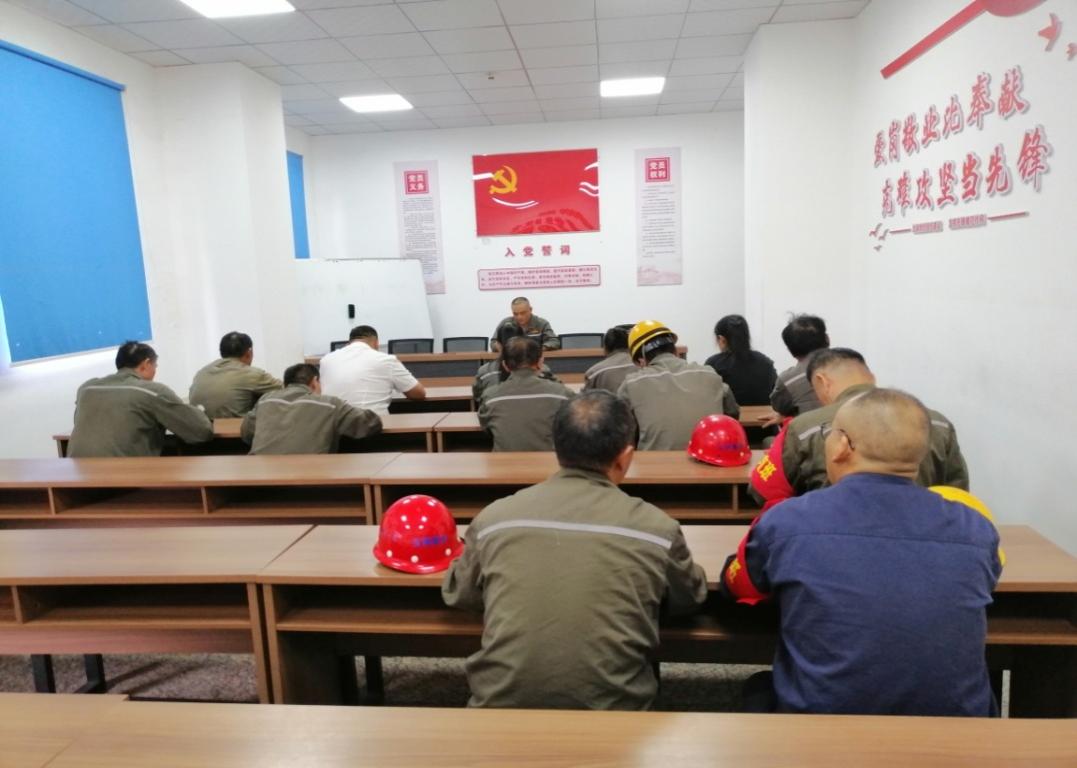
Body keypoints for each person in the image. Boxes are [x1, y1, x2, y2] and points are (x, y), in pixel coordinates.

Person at [721, 388, 1001, 716]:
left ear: (842, 445)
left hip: (821, 726)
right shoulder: (975, 528)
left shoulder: (787, 521)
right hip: (959, 727)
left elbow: (738, 587)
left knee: (758, 688)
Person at [443, 390, 707, 709]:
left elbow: (461, 595)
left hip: (497, 709)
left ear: (557, 449)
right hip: (615, 717)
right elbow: (688, 599)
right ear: (625, 457)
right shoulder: (657, 530)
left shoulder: (493, 519)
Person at [749, 347, 968, 509]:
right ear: (871, 377)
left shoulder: (805, 427)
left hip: (830, 543)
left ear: (822, 382)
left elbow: (763, 489)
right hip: (923, 545)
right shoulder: (936, 423)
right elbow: (958, 495)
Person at [68, 341, 214, 457]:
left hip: (76, 475)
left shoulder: (87, 388)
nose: (155, 371)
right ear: (146, 364)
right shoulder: (151, 391)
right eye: (155, 366)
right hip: (122, 476)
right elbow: (201, 431)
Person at [617, 320, 739, 450]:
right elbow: (733, 413)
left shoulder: (630, 385)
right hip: (711, 458)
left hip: (656, 462)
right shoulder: (710, 373)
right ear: (675, 351)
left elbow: (619, 431)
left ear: (640, 360)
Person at [241, 363, 382, 454]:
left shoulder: (265, 400)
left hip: (259, 478)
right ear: (315, 382)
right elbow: (369, 424)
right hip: (310, 479)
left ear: (285, 384)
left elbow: (246, 433)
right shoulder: (330, 404)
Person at [478, 337, 575, 451]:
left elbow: (486, 427)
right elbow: (572, 428)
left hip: (504, 461)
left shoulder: (489, 397)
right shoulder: (563, 394)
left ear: (505, 365)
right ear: (540, 362)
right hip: (549, 460)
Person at [318, 325, 425, 416]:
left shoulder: (326, 360)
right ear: (376, 343)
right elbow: (419, 394)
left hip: (331, 428)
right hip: (371, 428)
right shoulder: (386, 360)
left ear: (348, 343)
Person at [188, 331, 282, 418]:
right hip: (235, 430)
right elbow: (287, 390)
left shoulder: (201, 373)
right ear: (249, 353)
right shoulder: (251, 374)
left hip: (200, 429)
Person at [472, 323, 559, 408]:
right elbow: (557, 391)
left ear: (497, 344)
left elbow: (478, 398)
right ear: (524, 341)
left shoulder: (484, 371)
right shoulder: (542, 369)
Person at [704, 315, 777, 406]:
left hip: (728, 415)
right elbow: (775, 393)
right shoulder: (765, 362)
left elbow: (705, 397)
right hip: (765, 414)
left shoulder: (713, 364)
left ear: (722, 339)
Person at [770, 314, 829, 417]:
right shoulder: (850, 365)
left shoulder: (787, 380)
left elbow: (779, 407)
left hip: (810, 426)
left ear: (790, 350)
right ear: (827, 339)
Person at [489, 296, 560, 351]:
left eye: (523, 313)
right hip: (512, 361)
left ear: (530, 309)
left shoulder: (541, 323)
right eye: (515, 314)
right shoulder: (505, 323)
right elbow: (493, 342)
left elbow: (554, 341)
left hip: (534, 360)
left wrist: (538, 350)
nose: (519, 317)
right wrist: (499, 347)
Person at [582, 325, 635, 393]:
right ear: (629, 346)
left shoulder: (594, 372)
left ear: (605, 348)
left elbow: (586, 398)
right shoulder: (644, 366)